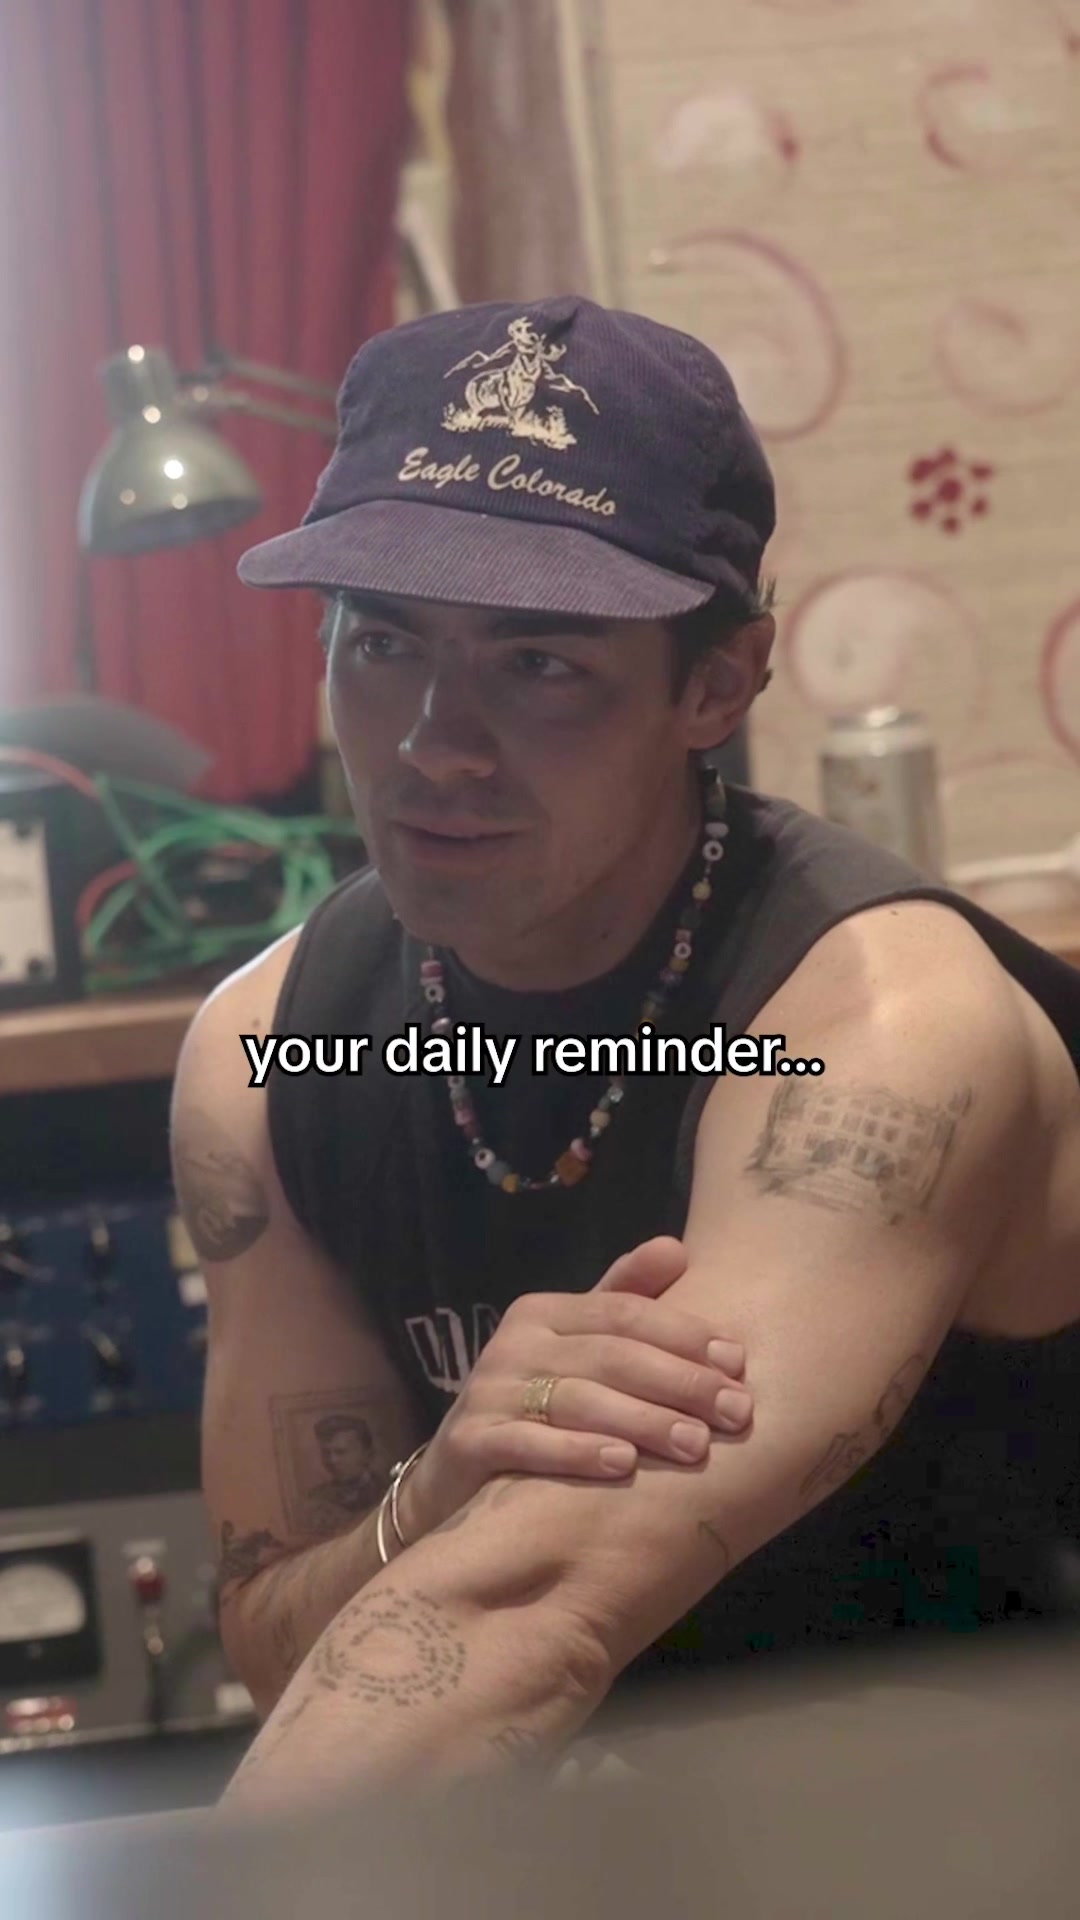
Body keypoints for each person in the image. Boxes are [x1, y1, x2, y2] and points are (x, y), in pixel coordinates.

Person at [169, 295, 1080, 1810]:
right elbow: (280, 1645)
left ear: (716, 685)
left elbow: (530, 1604)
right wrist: (431, 1489)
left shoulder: (885, 1032)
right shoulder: (269, 1056)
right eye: (382, 643)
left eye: (539, 664)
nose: (433, 744)